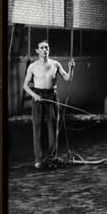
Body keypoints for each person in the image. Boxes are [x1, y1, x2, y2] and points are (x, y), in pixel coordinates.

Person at [23, 40, 75, 169]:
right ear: (37, 51)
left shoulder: (55, 64)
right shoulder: (32, 67)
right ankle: (39, 160)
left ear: (49, 50)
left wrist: (71, 68)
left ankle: (51, 157)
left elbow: (68, 78)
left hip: (52, 97)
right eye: (42, 48)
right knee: (37, 129)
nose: (45, 50)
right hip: (38, 98)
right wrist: (34, 95)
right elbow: (25, 86)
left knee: (53, 129)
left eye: (47, 47)